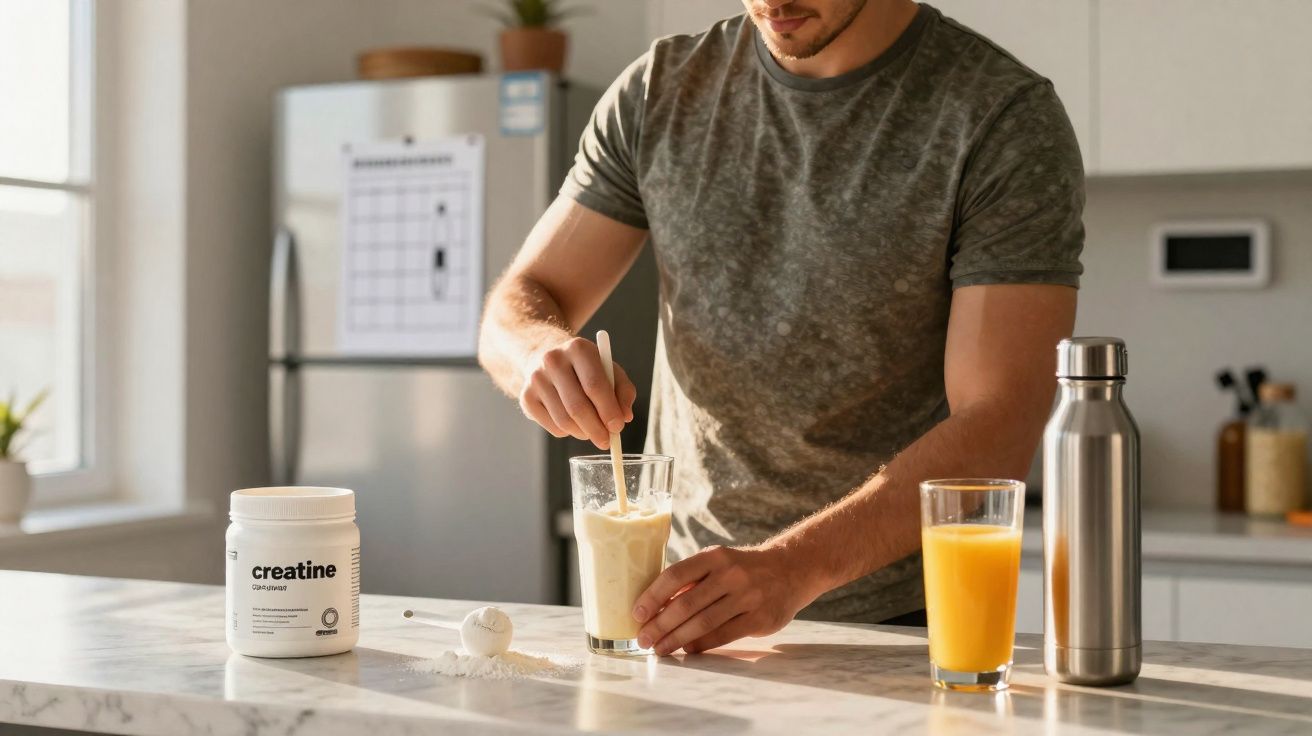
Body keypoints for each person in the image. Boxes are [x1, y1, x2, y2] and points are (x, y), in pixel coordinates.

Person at [478, 0, 1083, 656]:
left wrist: (790, 568)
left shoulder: (1000, 117)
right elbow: (519, 303)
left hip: (887, 632)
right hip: (675, 615)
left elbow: (999, 425)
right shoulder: (661, 89)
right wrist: (537, 350)